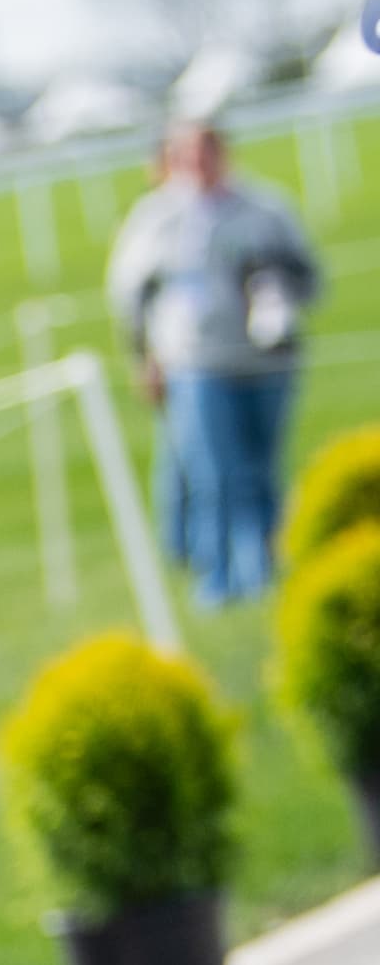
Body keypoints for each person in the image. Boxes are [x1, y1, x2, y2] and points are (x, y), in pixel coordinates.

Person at [109, 119, 323, 605]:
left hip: (265, 360)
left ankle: (267, 568)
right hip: (196, 362)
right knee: (214, 472)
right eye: (187, 153)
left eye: (206, 151)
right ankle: (220, 577)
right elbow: (131, 298)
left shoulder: (265, 208)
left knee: (262, 468)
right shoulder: (157, 220)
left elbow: (309, 276)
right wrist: (144, 358)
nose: (199, 163)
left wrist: (274, 291)